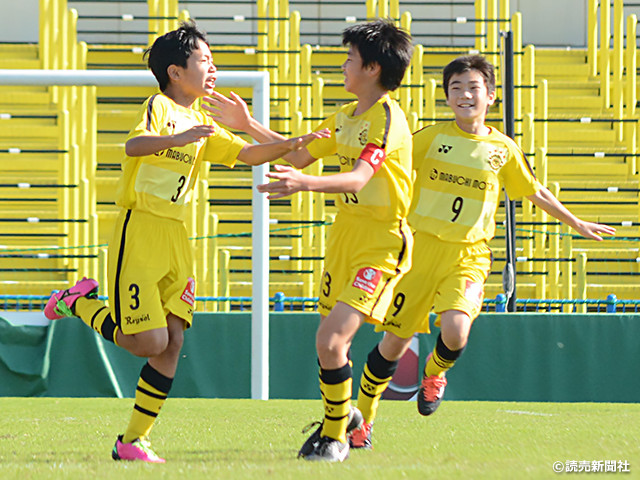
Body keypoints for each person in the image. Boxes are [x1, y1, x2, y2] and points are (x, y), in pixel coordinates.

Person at [43, 21, 327, 463]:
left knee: (172, 341)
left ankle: (132, 441)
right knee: (147, 343)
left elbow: (247, 154)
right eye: (204, 60)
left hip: (178, 236)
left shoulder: (202, 122)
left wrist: (295, 142)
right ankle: (80, 302)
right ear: (176, 72)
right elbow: (133, 145)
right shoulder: (160, 105)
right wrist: (176, 139)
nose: (212, 69)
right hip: (140, 231)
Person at [347, 54, 617, 449]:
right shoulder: (430, 138)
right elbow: (387, 159)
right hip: (418, 252)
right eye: (455, 88)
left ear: (490, 96)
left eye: (472, 87)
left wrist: (576, 222)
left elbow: (533, 190)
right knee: (393, 344)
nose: (464, 95)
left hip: (468, 254)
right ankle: (362, 421)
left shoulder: (501, 149)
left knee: (456, 331)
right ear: (447, 96)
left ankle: (435, 373)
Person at [203, 19, 414, 462]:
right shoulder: (344, 117)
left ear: (373, 68)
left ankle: (336, 436)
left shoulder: (388, 119)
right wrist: (248, 124)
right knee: (329, 342)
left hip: (380, 243)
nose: (343, 65)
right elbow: (296, 151)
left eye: (350, 59)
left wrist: (304, 184)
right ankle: (345, 417)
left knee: (331, 341)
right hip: (344, 240)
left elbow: (358, 177)